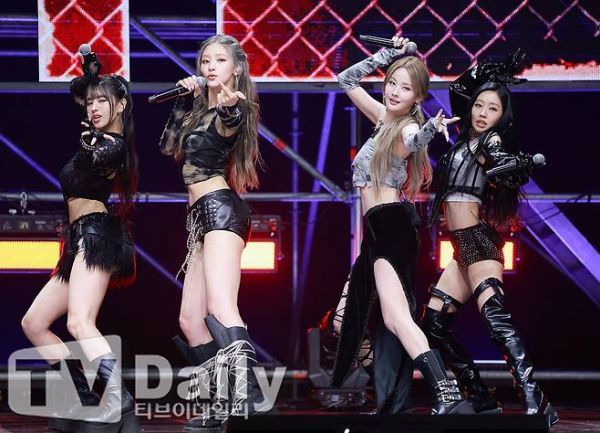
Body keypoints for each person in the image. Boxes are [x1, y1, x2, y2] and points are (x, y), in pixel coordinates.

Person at [330, 36, 473, 415]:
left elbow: (415, 139)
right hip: (377, 230)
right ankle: (392, 397)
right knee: (345, 321)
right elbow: (345, 79)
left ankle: (446, 392)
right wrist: (387, 55)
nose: (394, 91)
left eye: (405, 88)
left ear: (417, 98)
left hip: (391, 227)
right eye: (392, 82)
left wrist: (430, 130)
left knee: (395, 318)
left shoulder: (407, 127)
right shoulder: (383, 118)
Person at [422, 55, 559, 426]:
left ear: (502, 117)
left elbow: (500, 162)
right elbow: (458, 88)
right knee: (433, 324)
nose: (482, 113)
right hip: (461, 248)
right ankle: (479, 396)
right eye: (479, 105)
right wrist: (485, 70)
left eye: (492, 108)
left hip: (478, 243)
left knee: (496, 321)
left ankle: (535, 398)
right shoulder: (465, 138)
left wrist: (518, 164)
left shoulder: (489, 142)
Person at [21, 73, 139, 432]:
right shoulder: (94, 139)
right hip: (76, 241)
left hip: (96, 235)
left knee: (79, 322)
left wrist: (91, 138)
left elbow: (97, 157)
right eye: (90, 102)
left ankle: (118, 399)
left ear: (121, 105)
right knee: (34, 323)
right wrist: (90, 77)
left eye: (102, 100)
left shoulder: (114, 145)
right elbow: (77, 91)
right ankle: (82, 398)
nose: (93, 107)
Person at [158, 34, 263, 430]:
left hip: (220, 209)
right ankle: (223, 401)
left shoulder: (232, 106)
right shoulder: (200, 108)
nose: (210, 67)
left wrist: (229, 107)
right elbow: (168, 147)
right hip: (199, 218)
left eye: (219, 60)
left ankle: (247, 397)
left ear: (236, 68)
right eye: (205, 61)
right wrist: (184, 101)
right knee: (190, 320)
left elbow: (229, 120)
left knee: (221, 307)